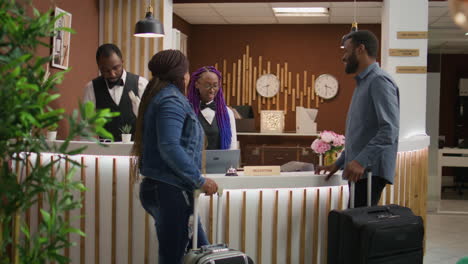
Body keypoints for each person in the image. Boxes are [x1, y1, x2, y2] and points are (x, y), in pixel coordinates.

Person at [131, 50, 218, 264]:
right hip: (169, 191)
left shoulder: (162, 96)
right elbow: (169, 146)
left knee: (199, 252)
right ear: (182, 75)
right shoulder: (170, 100)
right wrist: (199, 180)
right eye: (187, 72)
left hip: (168, 190)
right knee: (175, 258)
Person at [315, 30, 400, 207]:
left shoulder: (379, 81)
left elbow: (389, 129)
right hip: (360, 169)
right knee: (355, 225)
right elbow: (362, 135)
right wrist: (338, 163)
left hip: (370, 171)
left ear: (360, 49)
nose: (343, 57)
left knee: (359, 229)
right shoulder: (364, 82)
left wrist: (361, 161)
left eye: (346, 51)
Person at [83, 43, 148, 141]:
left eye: (115, 68)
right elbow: (86, 125)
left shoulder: (141, 84)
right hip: (105, 150)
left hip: (136, 149)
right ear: (99, 67)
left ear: (122, 62)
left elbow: (150, 121)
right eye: (105, 70)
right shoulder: (91, 88)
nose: (112, 74)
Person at [187, 66, 237, 150]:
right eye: (207, 85)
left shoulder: (227, 113)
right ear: (197, 85)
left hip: (220, 162)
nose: (212, 90)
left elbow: (232, 145)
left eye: (215, 85)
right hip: (194, 162)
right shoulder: (187, 110)